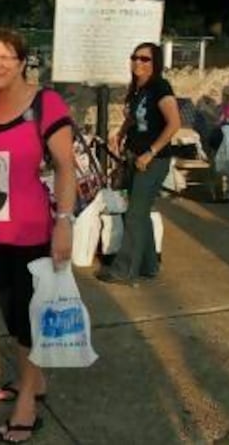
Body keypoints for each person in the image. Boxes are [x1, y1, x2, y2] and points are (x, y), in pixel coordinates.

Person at [0, 27, 76, 443]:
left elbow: (66, 167)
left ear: (21, 62)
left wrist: (65, 222)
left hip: (34, 231)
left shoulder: (44, 102)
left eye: (5, 57)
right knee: (15, 315)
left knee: (30, 320)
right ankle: (32, 381)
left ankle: (26, 409)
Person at [98, 42, 181, 284]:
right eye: (135, 57)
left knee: (135, 215)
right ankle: (149, 265)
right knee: (138, 213)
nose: (138, 63)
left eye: (145, 59)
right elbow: (135, 117)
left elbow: (173, 123)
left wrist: (150, 152)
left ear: (155, 63)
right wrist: (121, 133)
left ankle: (123, 270)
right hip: (134, 156)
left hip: (152, 161)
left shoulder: (160, 87)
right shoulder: (138, 89)